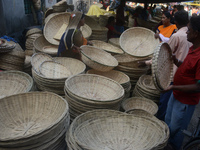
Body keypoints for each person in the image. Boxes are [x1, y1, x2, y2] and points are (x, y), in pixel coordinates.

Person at [164, 15, 200, 150]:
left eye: (189, 30)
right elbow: (187, 69)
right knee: (169, 124)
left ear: (196, 34)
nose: (186, 32)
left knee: (177, 129)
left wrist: (174, 86)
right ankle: (167, 144)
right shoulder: (192, 48)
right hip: (176, 94)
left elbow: (197, 86)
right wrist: (176, 61)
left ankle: (174, 147)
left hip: (185, 101)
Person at [156, 10, 192, 121]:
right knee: (174, 108)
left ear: (175, 21)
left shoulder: (177, 36)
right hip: (184, 75)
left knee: (165, 103)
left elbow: (165, 55)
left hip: (173, 74)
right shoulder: (189, 35)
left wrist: (148, 63)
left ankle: (160, 124)